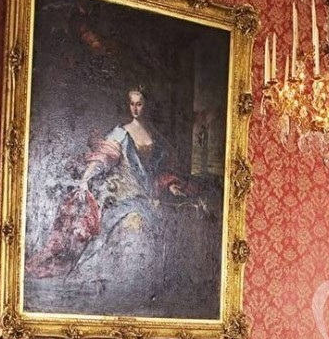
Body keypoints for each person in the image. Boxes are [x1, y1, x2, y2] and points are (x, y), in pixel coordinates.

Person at [27, 86, 203, 280]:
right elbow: (104, 157)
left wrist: (170, 185)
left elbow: (157, 171)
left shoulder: (155, 137)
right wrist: (87, 176)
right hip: (124, 196)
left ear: (146, 106)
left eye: (139, 104)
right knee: (131, 223)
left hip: (149, 196)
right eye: (132, 104)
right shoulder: (121, 133)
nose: (135, 108)